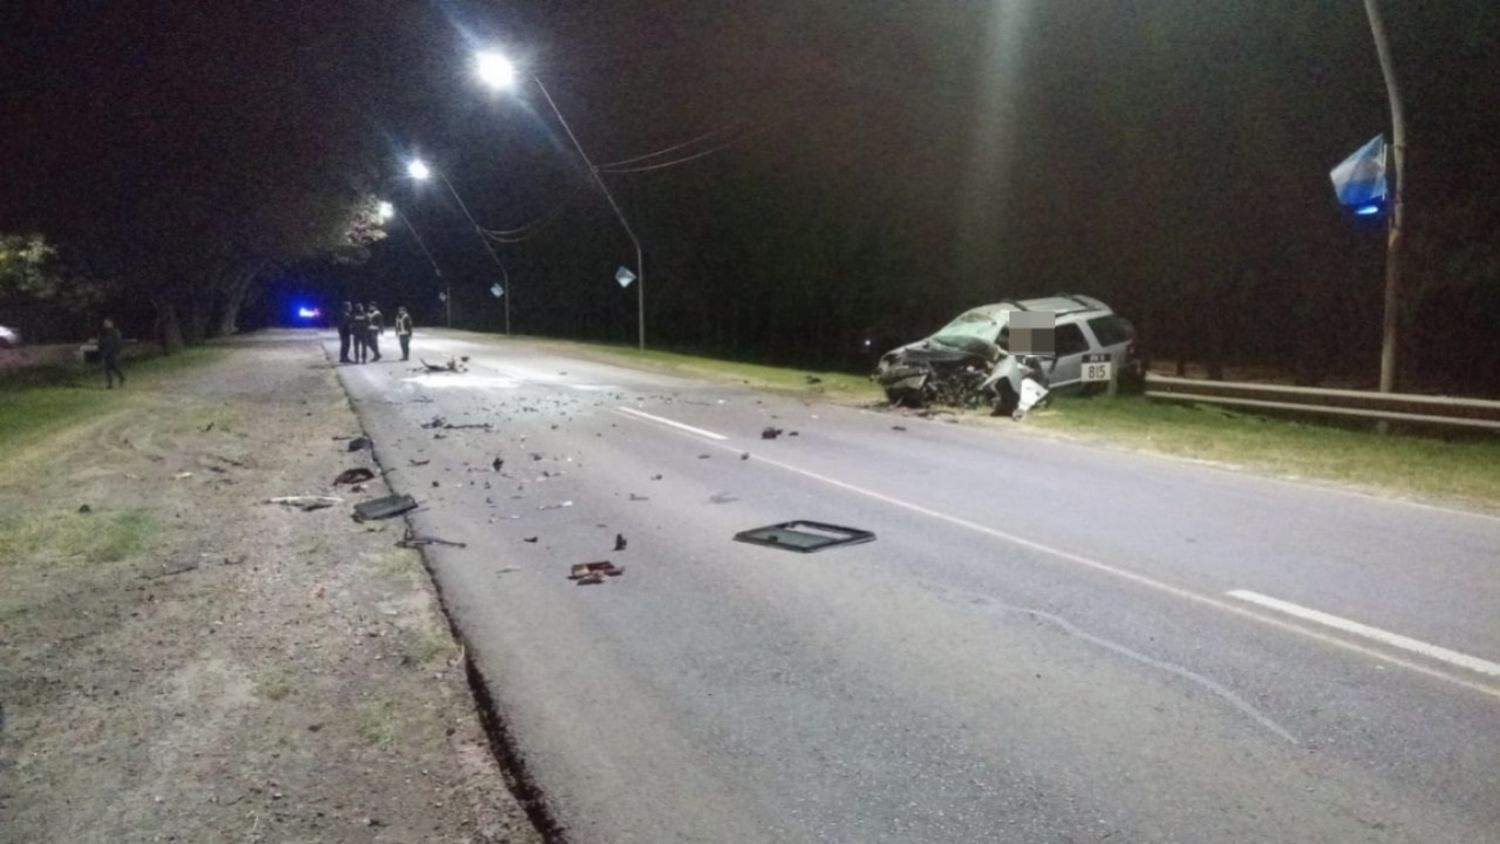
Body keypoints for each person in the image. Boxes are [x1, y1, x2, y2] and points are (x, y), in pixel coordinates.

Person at [99, 318, 125, 388]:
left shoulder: (113, 332)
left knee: (108, 368)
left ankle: (111, 383)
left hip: (111, 353)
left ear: (111, 324)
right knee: (113, 367)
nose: (105, 325)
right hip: (108, 352)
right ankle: (121, 378)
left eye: (107, 323)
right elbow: (101, 342)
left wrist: (115, 351)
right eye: (104, 323)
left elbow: (114, 343)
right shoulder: (104, 332)